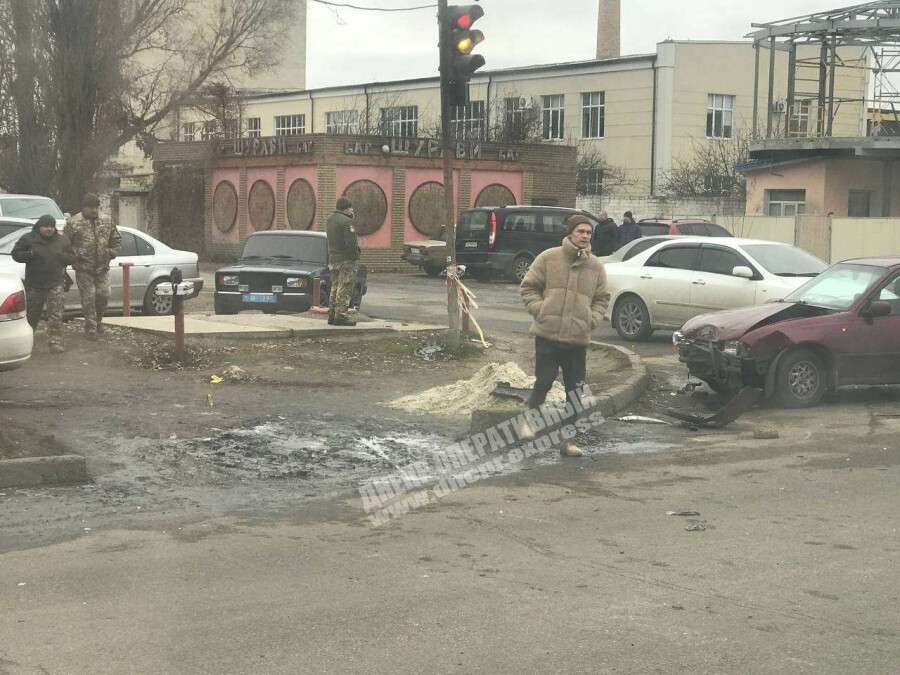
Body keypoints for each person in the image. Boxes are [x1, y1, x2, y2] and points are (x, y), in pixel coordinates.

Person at [520, 214, 610, 457]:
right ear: (570, 233)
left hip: (577, 339)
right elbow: (528, 287)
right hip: (548, 334)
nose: (584, 236)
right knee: (544, 382)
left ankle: (568, 441)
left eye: (588, 233)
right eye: (580, 231)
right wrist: (541, 310)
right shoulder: (549, 258)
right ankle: (529, 420)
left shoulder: (595, 266)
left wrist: (591, 320)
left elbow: (602, 298)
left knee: (575, 391)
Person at [11, 215, 74, 354]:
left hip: (55, 283)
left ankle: (55, 342)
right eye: (45, 226)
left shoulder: (62, 240)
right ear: (39, 226)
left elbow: (72, 256)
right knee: (32, 315)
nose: (49, 229)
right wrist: (29, 254)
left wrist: (64, 258)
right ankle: (28, 342)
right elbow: (15, 254)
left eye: (51, 226)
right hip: (35, 284)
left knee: (56, 315)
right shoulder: (29, 238)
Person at [64, 194, 121, 340]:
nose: (94, 210)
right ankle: (90, 328)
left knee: (104, 295)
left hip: (102, 267)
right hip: (84, 268)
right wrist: (75, 255)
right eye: (90, 208)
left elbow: (116, 239)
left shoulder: (107, 220)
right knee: (89, 298)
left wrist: (111, 252)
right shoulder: (73, 223)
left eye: (96, 207)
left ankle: (99, 320)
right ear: (84, 208)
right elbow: (64, 244)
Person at [326, 197, 360, 326]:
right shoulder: (347, 222)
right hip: (346, 259)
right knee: (345, 287)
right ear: (346, 208)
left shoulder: (330, 219)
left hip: (333, 258)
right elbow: (351, 242)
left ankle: (332, 314)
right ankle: (341, 315)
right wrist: (355, 256)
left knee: (334, 287)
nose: (352, 210)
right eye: (351, 207)